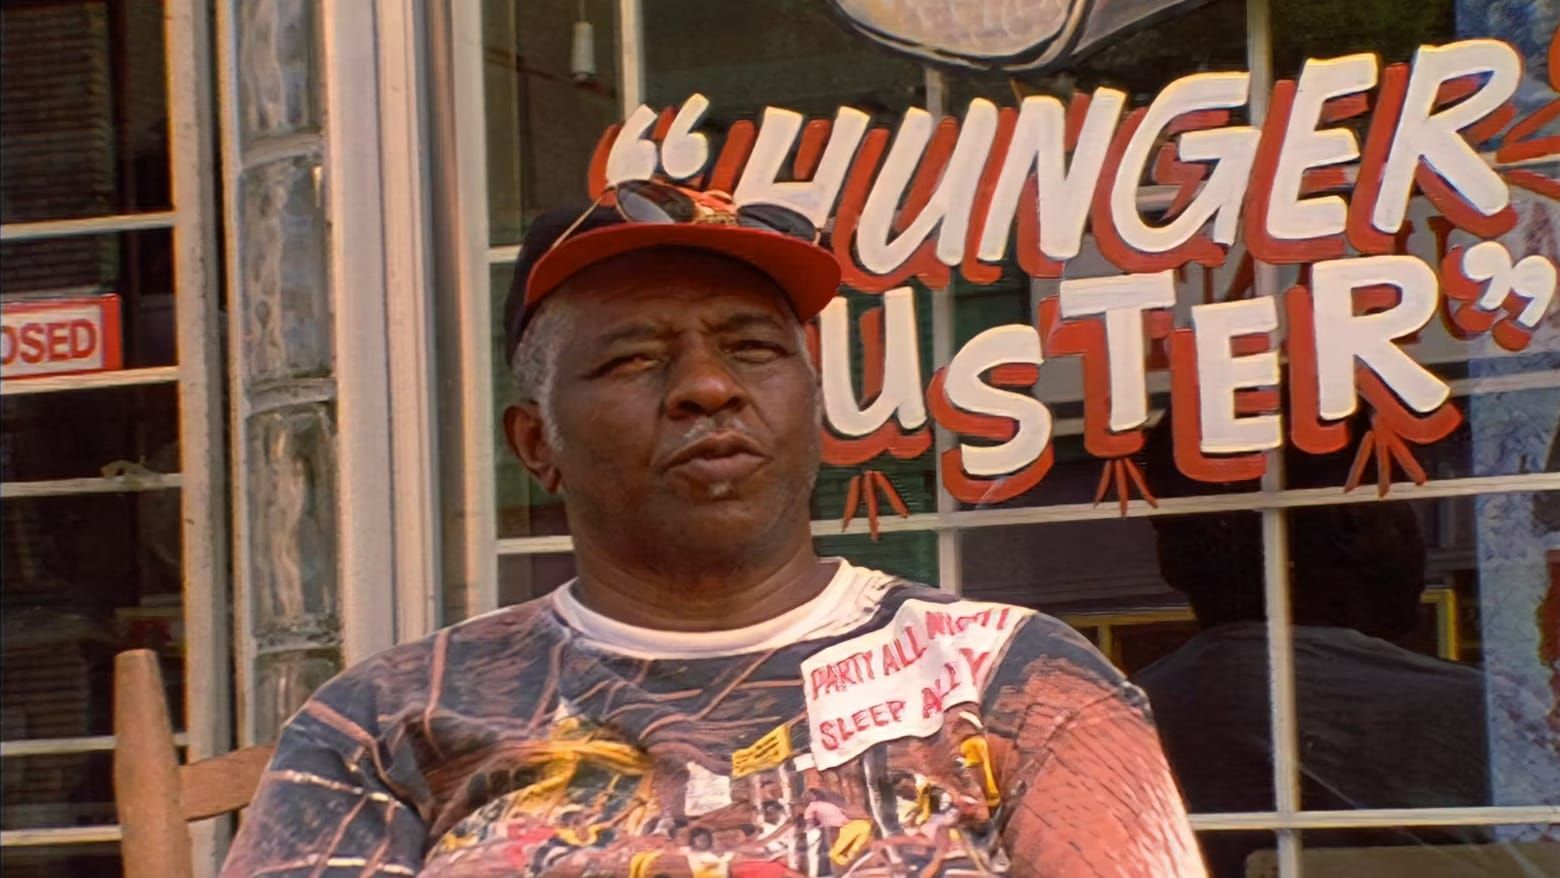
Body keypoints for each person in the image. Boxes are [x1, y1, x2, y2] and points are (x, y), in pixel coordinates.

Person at [220, 183, 1204, 877]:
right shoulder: (387, 721)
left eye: (752, 349)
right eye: (633, 360)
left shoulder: (1013, 679)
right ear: (537, 443)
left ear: (813, 405)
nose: (706, 386)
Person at [1133, 412, 1491, 877]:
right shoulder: (1490, 717)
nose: (1417, 538)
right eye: (1401, 503)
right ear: (1352, 523)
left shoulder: (1105, 731)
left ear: (1170, 562)